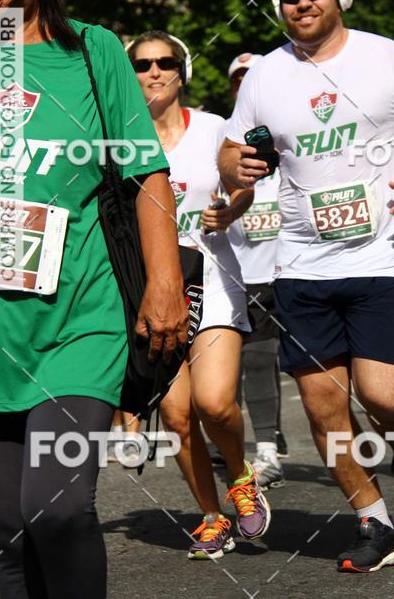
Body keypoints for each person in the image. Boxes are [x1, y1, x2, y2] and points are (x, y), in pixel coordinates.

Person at [0, 0, 187, 598]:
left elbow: (146, 171)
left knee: (54, 510)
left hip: (81, 319)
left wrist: (165, 282)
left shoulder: (93, 51)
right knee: (10, 533)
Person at [219, 0, 394, 574]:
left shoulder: (386, 57)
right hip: (301, 261)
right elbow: (229, 149)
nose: (303, 4)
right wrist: (235, 166)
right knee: (324, 405)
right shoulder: (267, 75)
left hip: (382, 254)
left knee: (383, 393)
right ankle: (373, 521)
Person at [128, 31, 271, 560]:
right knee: (178, 414)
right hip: (150, 290)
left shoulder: (212, 128)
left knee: (214, 402)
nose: (155, 72)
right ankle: (212, 517)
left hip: (211, 280)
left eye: (166, 62)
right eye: (142, 65)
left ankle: (240, 475)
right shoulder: (118, 138)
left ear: (181, 71)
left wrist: (231, 209)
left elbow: (243, 182)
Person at [227, 52, 287, 489]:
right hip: (232, 273)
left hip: (281, 273)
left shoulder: (291, 134)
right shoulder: (222, 140)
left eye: (254, 78)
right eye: (239, 80)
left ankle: (267, 448)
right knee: (230, 364)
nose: (247, 86)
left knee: (263, 360)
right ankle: (225, 441)